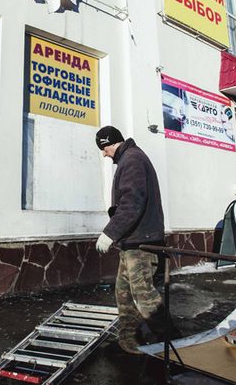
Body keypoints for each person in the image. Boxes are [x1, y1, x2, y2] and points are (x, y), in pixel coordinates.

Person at [94, 125, 178, 354]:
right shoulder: (129, 158)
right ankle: (129, 338)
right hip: (131, 241)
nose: (103, 154)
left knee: (143, 294)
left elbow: (132, 201)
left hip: (141, 242)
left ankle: (175, 344)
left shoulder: (132, 160)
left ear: (109, 143)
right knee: (124, 292)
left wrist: (110, 232)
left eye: (103, 148)